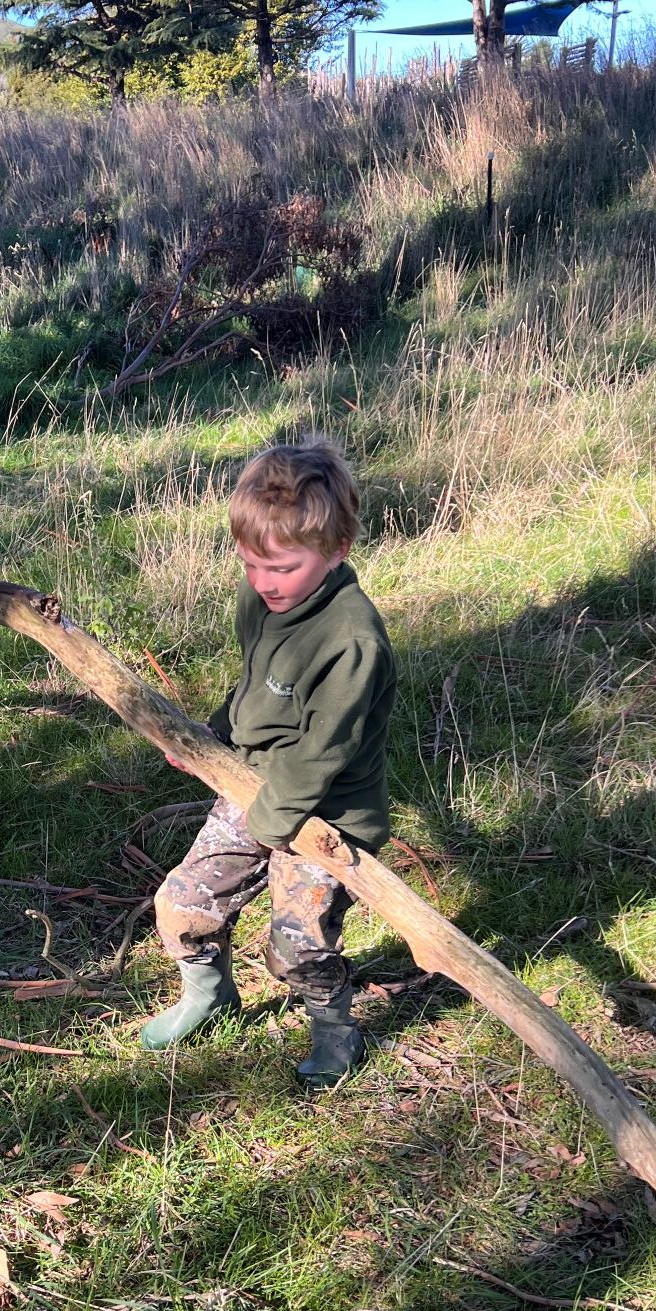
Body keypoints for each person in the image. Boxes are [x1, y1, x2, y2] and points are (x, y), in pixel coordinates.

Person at [141, 439, 396, 1086]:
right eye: (250, 563)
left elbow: (322, 752)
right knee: (182, 902)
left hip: (325, 813)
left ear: (337, 549)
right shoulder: (264, 599)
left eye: (280, 567)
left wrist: (270, 825)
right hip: (254, 788)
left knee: (298, 942)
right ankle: (209, 996)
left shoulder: (351, 641)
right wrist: (212, 738)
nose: (261, 581)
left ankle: (335, 1030)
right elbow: (256, 687)